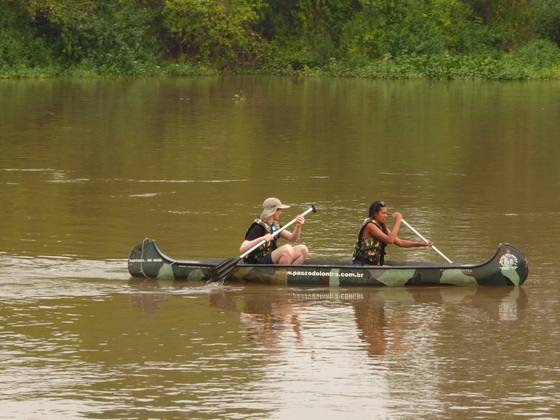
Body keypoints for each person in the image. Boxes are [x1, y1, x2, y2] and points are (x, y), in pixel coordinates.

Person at [352, 201, 433, 266]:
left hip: (372, 265)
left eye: (386, 213)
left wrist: (423, 244)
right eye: (383, 213)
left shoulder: (380, 226)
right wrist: (398, 220)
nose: (386, 216)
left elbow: (400, 242)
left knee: (392, 269)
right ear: (375, 214)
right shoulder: (370, 226)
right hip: (362, 265)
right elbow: (390, 240)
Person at [240, 197, 309, 265]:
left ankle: (289, 274)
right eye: (280, 210)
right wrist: (261, 238)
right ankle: (281, 275)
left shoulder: (274, 225)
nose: (281, 212)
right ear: (274, 211)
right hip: (258, 261)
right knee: (287, 249)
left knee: (303, 249)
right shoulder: (258, 227)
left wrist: (298, 226)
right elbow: (242, 249)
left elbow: (293, 238)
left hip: (270, 258)